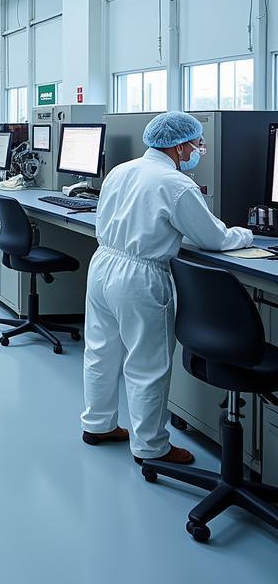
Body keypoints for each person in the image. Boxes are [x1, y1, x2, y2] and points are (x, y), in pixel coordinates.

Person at [81, 110, 253, 465]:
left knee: (101, 351)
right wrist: (247, 233)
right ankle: (151, 447)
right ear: (179, 146)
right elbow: (212, 238)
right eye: (197, 143)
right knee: (148, 364)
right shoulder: (176, 183)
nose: (199, 150)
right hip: (140, 275)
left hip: (102, 265)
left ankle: (97, 424)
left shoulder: (121, 170)